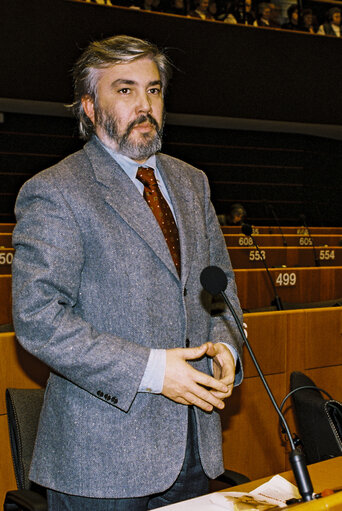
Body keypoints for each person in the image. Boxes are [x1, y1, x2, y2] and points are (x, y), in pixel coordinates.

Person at [12, 35, 244, 510]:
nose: (144, 105)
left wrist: (226, 345)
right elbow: (39, 319)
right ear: (90, 107)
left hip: (194, 450)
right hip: (100, 463)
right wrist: (154, 371)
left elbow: (217, 288)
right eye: (125, 90)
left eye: (154, 90)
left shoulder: (191, 183)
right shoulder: (57, 190)